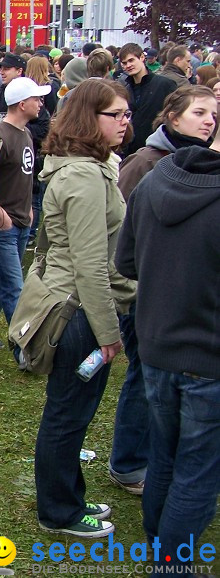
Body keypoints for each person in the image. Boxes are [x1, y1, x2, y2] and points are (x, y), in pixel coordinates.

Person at [33, 79, 137, 538]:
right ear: (87, 119)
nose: (124, 122)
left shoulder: (85, 168)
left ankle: (67, 498)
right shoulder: (83, 176)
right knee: (68, 414)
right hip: (79, 312)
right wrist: (109, 332)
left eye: (127, 113)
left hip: (77, 304)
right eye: (115, 114)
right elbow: (90, 265)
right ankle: (60, 511)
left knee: (71, 412)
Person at [108, 85, 217, 499]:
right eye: (199, 112)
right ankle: (130, 462)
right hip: (144, 297)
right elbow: (122, 229)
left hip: (176, 303)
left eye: (213, 113)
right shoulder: (147, 163)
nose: (209, 120)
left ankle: (150, 461)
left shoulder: (199, 165)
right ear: (172, 117)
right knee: (141, 381)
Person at [115, 143, 219, 570]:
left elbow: (127, 260)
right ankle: (171, 564)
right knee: (196, 471)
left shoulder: (154, 177)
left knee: (165, 454)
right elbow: (126, 262)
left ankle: (160, 545)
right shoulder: (155, 176)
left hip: (158, 345)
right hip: (207, 359)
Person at [0, 78, 47, 353]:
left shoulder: (26, 133)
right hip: (1, 224)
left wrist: (28, 207)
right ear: (22, 104)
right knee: (14, 286)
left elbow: (24, 176)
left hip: (19, 219)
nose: (41, 104)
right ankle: (26, 348)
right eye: (37, 99)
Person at [118, 43, 176, 156]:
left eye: (131, 60)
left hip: (157, 149)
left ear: (142, 57)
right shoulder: (124, 89)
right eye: (124, 63)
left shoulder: (165, 84)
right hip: (130, 150)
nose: (128, 65)